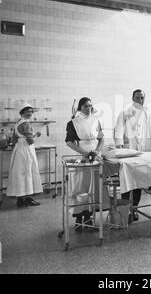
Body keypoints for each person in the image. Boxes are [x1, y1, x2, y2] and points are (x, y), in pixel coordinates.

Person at [114, 89, 151, 222]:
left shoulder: (147, 113)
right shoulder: (125, 112)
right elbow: (119, 129)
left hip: (143, 151)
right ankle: (125, 211)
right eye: (138, 98)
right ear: (133, 98)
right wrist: (119, 146)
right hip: (129, 151)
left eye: (142, 98)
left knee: (138, 182)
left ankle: (134, 209)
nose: (140, 100)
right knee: (126, 182)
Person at [65, 97, 105, 229]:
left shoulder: (96, 120)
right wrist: (84, 153)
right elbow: (69, 142)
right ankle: (78, 219)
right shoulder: (73, 123)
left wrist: (97, 151)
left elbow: (101, 139)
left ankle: (89, 218)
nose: (88, 108)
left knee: (93, 187)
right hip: (81, 156)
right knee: (80, 187)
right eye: (85, 106)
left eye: (90, 106)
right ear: (79, 108)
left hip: (95, 156)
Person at [7, 103, 43, 207]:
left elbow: (14, 140)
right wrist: (37, 135)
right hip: (26, 150)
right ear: (23, 112)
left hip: (18, 150)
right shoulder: (26, 124)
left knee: (20, 173)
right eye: (28, 111)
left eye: (32, 111)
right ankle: (27, 198)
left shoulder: (18, 123)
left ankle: (20, 199)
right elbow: (31, 141)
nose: (31, 113)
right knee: (28, 172)